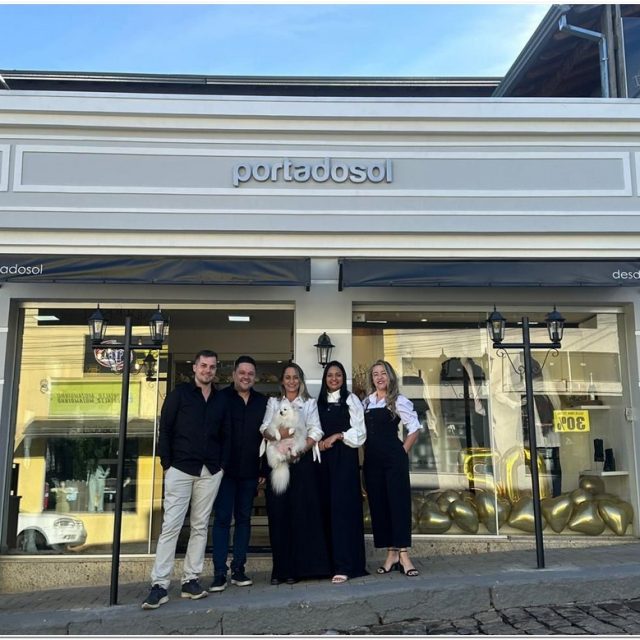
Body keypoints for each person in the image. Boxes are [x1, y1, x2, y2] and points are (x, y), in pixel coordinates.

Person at [142, 349, 228, 610]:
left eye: (212, 367)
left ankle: (191, 580)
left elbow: (226, 434)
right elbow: (165, 430)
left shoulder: (220, 399)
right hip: (180, 468)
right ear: (194, 367)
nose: (207, 370)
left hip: (209, 470)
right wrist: (167, 465)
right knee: (171, 526)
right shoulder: (179, 394)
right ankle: (159, 585)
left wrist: (221, 466)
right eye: (203, 366)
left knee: (200, 526)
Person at [260, 362, 331, 585]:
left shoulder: (309, 403)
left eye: (295, 377)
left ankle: (298, 569)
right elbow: (264, 428)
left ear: (300, 380)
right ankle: (280, 570)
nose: (291, 381)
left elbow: (316, 430)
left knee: (300, 516)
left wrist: (299, 449)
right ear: (282, 381)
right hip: (278, 463)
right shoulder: (273, 403)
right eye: (288, 377)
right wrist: (280, 437)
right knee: (278, 516)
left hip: (300, 463)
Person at [209, 355, 268, 592]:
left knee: (244, 520)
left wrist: (264, 469)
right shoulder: (220, 398)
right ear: (234, 374)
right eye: (242, 372)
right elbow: (212, 433)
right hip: (224, 471)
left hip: (251, 471)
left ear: (255, 377)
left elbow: (268, 438)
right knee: (222, 519)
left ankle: (239, 569)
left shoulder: (263, 402)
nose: (246, 377)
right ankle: (219, 573)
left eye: (250, 373)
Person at [363, 359, 423, 577]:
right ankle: (391, 554)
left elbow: (414, 429)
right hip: (372, 461)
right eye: (375, 374)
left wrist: (401, 452)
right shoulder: (366, 402)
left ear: (390, 377)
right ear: (372, 379)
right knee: (380, 506)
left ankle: (404, 554)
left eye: (383, 373)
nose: (379, 377)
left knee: (398, 505)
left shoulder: (398, 400)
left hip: (393, 461)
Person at [316, 360, 367, 584]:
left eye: (338, 375)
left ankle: (345, 565)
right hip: (322, 462)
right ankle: (326, 565)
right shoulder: (317, 403)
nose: (334, 378)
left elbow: (360, 433)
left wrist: (339, 436)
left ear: (343, 378)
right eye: (330, 375)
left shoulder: (351, 400)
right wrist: (317, 443)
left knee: (343, 511)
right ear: (325, 378)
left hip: (344, 461)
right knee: (325, 510)